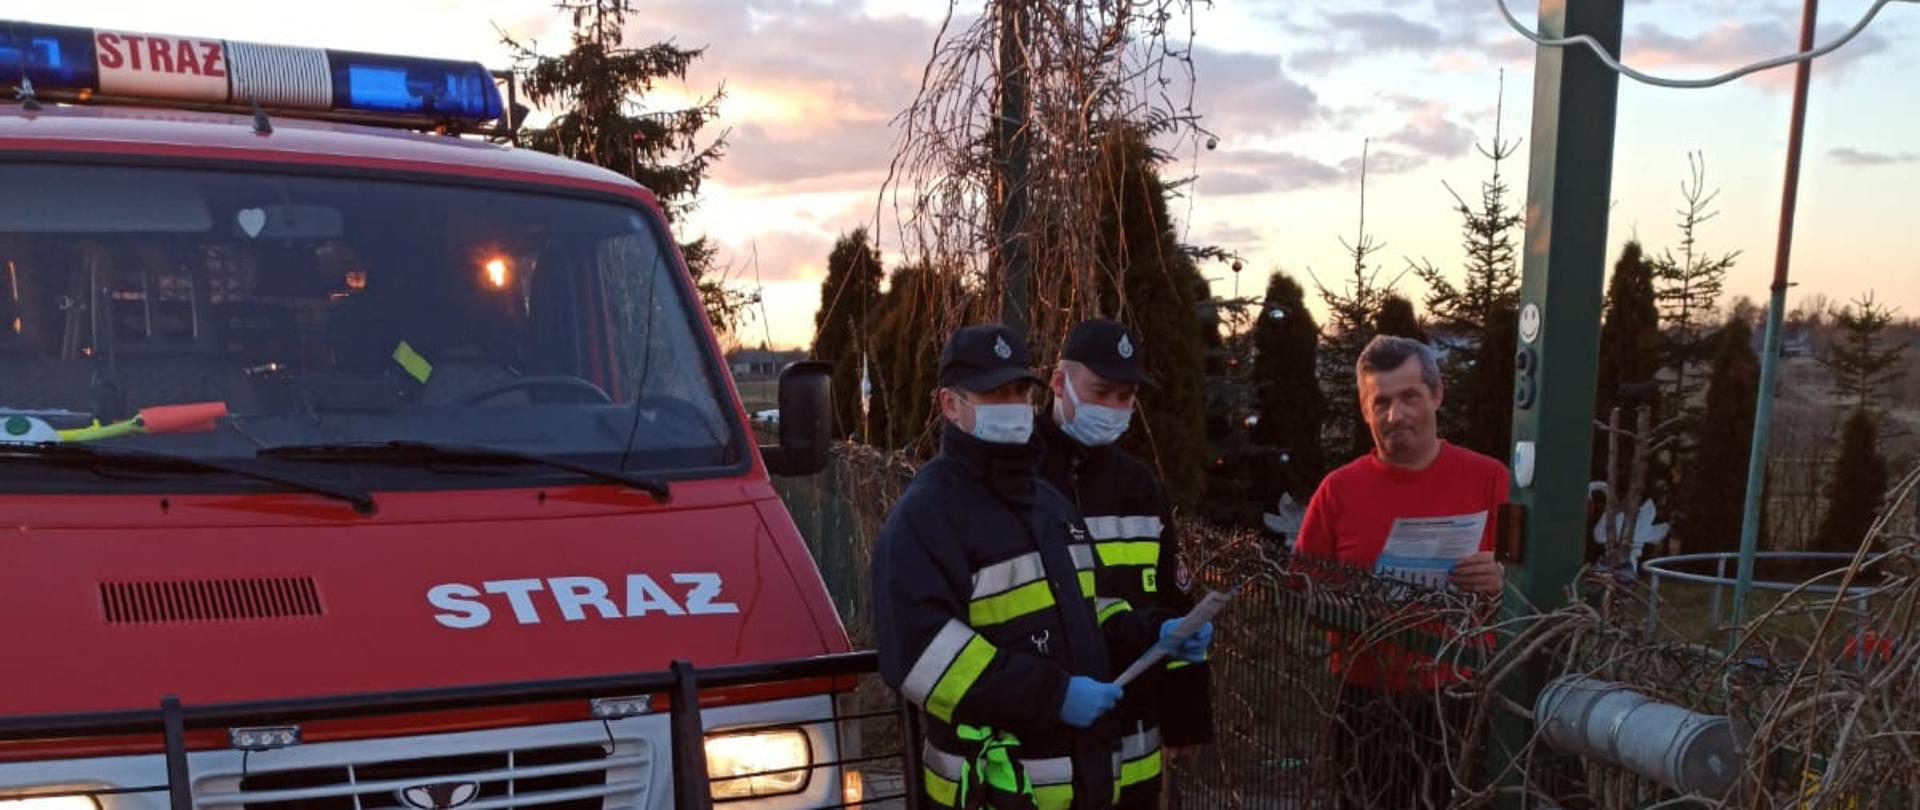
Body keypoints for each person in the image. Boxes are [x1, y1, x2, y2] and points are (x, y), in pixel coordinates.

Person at [873, 323, 1211, 810]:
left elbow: (1090, 610)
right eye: (993, 393)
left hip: (1084, 786)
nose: (1012, 403)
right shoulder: (927, 516)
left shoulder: (1047, 505)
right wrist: (1052, 695)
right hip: (990, 790)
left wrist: (1154, 634)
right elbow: (922, 655)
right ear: (950, 405)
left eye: (1016, 389)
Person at [1294, 335, 1509, 810]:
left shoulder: (1489, 478)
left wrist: (1500, 579)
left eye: (1410, 396)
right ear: (1365, 409)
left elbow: (1527, 587)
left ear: (1436, 394)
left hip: (1459, 694)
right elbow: (1299, 589)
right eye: (1382, 402)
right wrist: (1348, 602)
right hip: (1366, 699)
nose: (1396, 415)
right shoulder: (1338, 491)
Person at [1035, 319, 1213, 809]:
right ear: (1058, 381)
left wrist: (1185, 712)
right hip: (1048, 738)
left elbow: (1171, 597)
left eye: (1126, 396)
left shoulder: (1139, 485)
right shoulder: (1019, 474)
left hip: (1134, 736)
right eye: (1102, 391)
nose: (1114, 408)